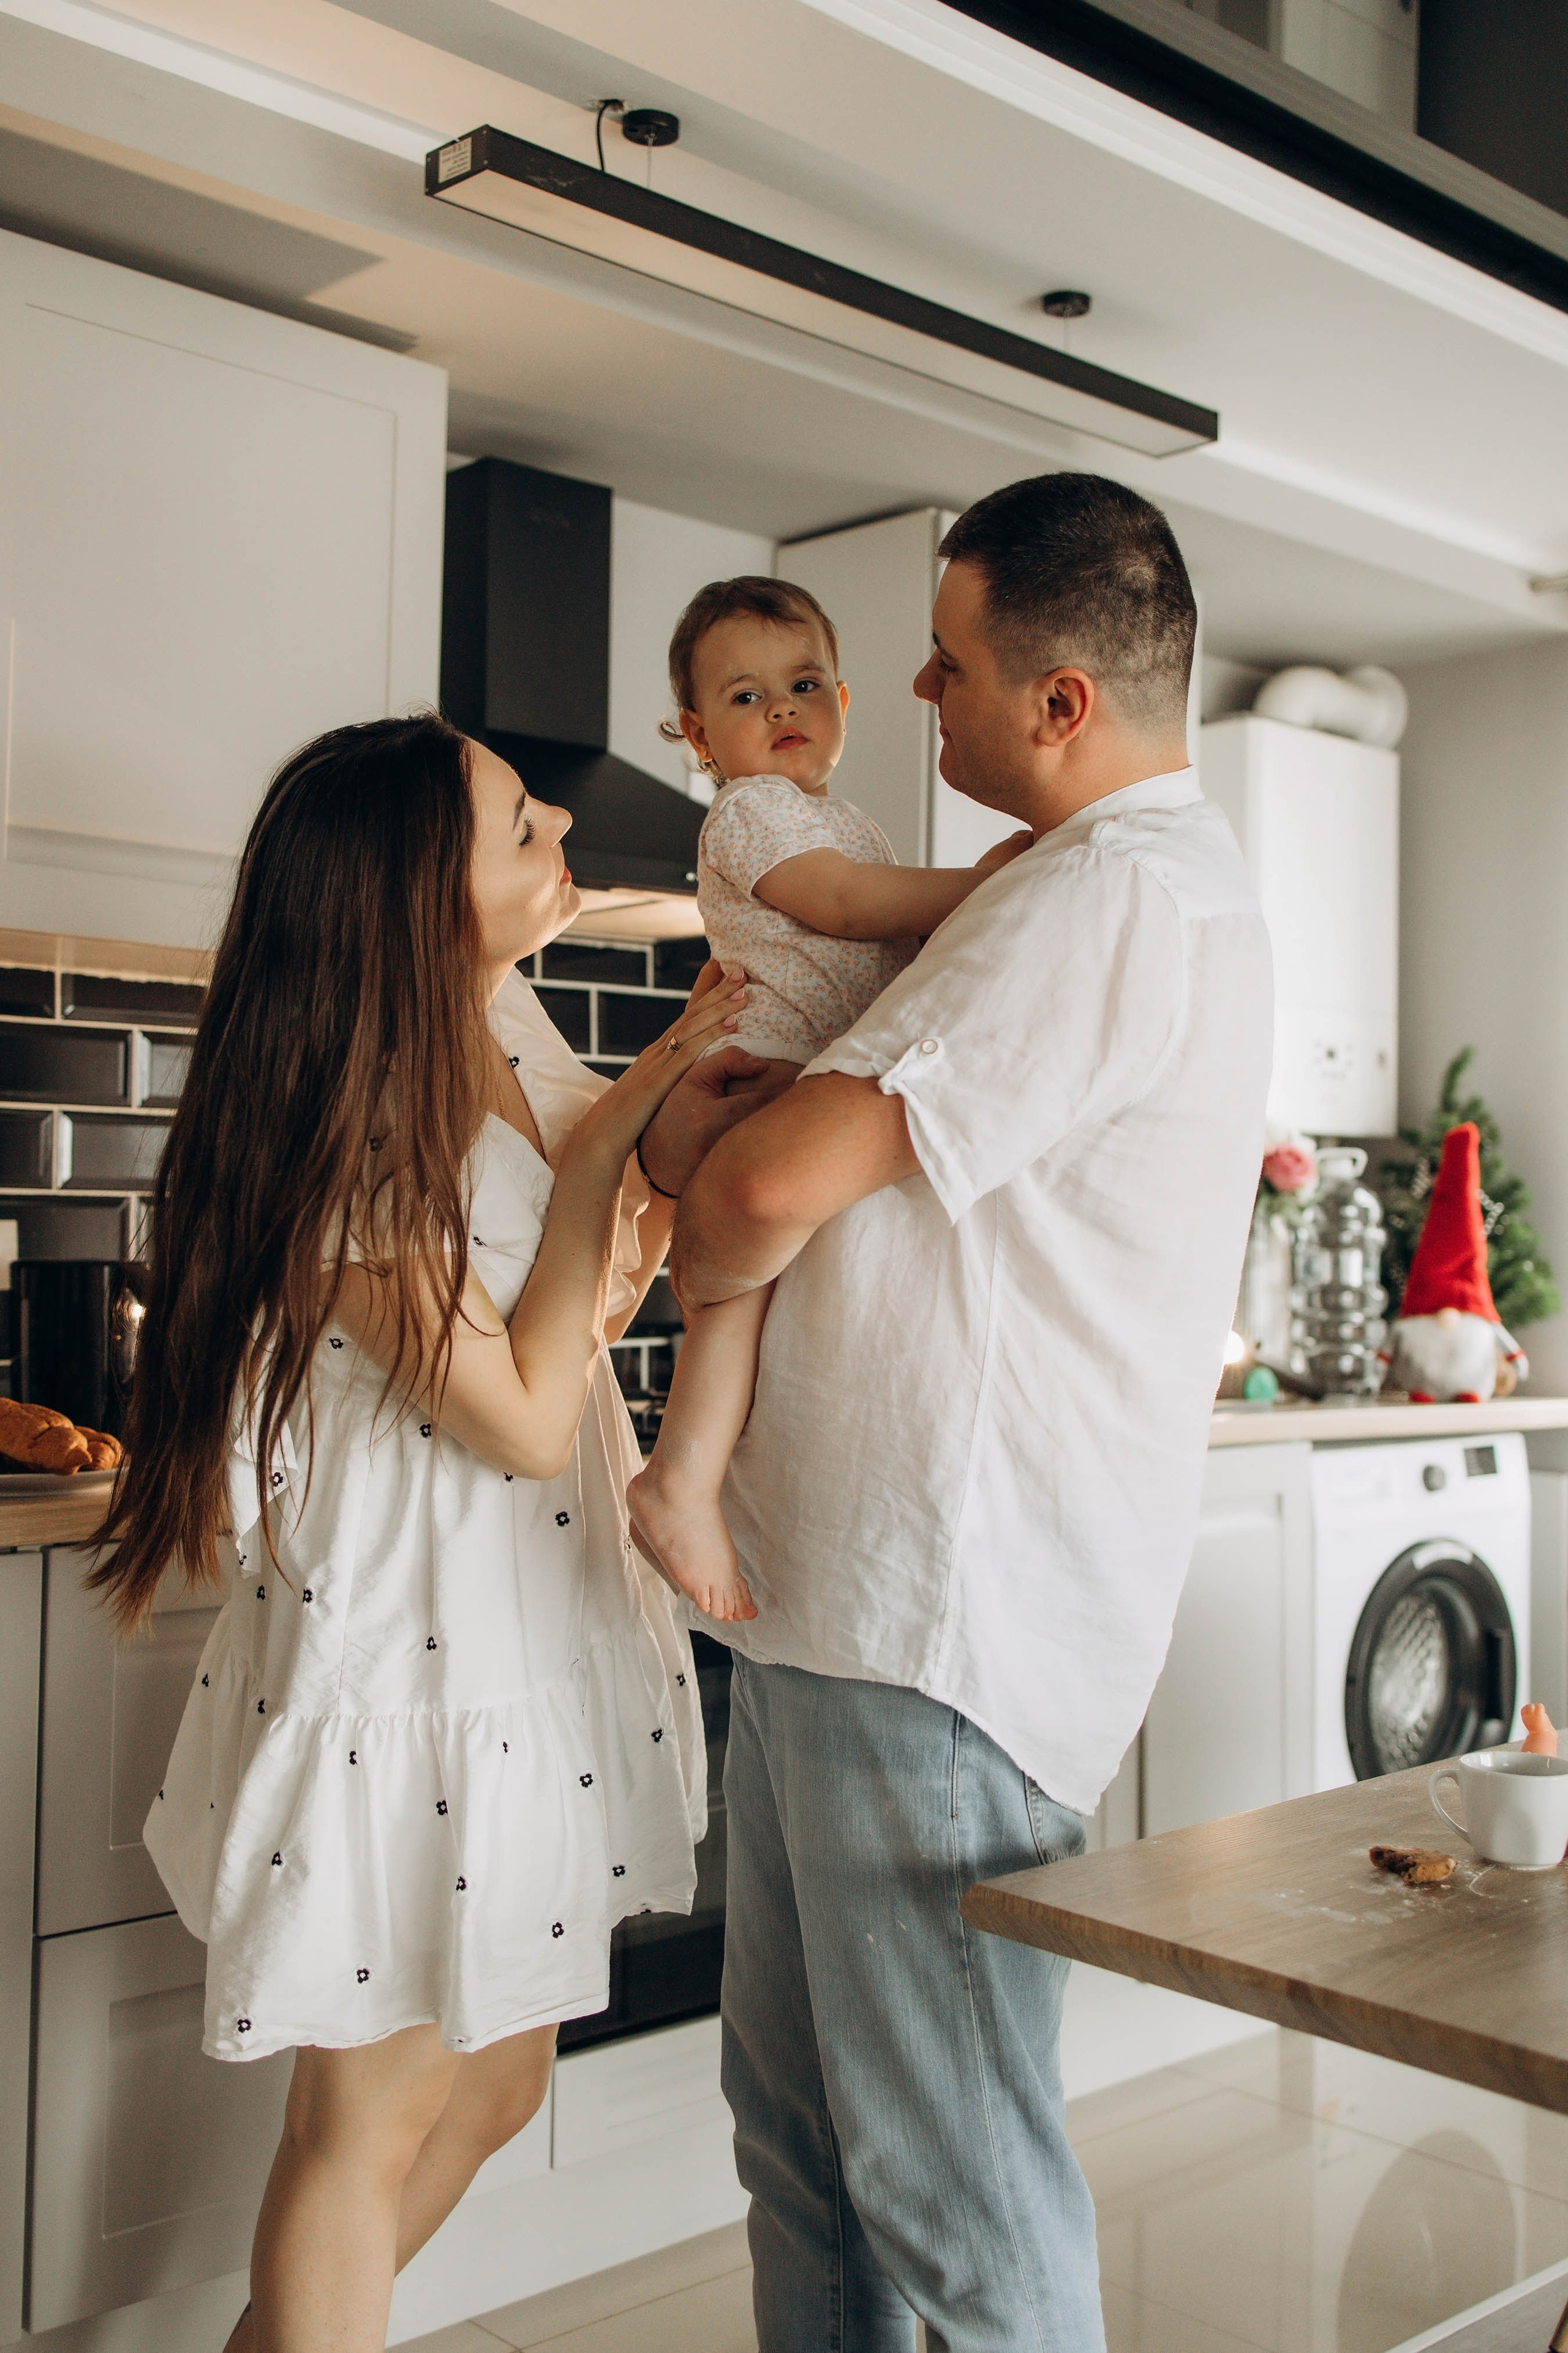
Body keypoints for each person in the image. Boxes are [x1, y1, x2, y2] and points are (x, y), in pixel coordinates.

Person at [641, 472, 1273, 2352]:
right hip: (835, 1603)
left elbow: (749, 1189)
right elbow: (745, 1134)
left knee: (953, 2193)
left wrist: (702, 1158)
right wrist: (703, 1127)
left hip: (939, 1631)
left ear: (1059, 703)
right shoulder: (1077, 894)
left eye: (945, 664)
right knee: (809, 2145)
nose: (915, 696)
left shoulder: (1103, 899)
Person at [92, 712, 772, 2353]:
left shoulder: (500, 1011)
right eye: (522, 825)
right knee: (370, 2119)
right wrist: (629, 1140)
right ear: (414, 897)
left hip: (524, 1618)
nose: (559, 835)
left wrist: (674, 1066)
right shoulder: (352, 1134)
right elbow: (530, 1405)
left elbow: (577, 1285)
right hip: (414, 1646)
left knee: (495, 2079)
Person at [627, 576, 1030, 1619]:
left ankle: (707, 1478)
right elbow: (849, 910)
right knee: (736, 1298)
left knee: (769, 1302)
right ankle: (678, 1479)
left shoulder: (846, 821)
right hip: (769, 1067)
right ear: (698, 737)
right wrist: (988, 883)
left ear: (846, 704)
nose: (783, 712)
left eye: (804, 685)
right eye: (747, 698)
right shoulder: (751, 815)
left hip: (814, 1076)